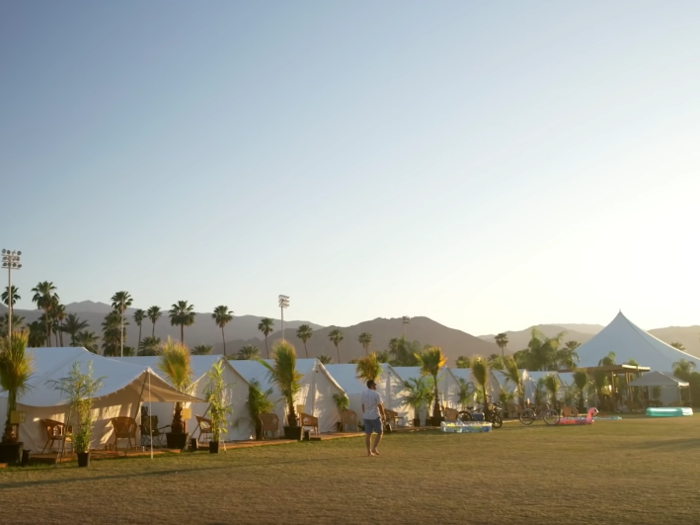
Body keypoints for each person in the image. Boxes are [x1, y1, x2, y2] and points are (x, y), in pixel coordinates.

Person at [361, 379, 386, 457]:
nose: (376, 386)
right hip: (375, 416)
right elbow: (379, 405)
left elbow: (362, 405)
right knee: (380, 432)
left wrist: (365, 412)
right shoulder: (376, 394)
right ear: (372, 385)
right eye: (375, 384)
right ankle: (374, 448)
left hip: (366, 416)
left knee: (368, 434)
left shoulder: (363, 394)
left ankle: (368, 451)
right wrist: (383, 414)